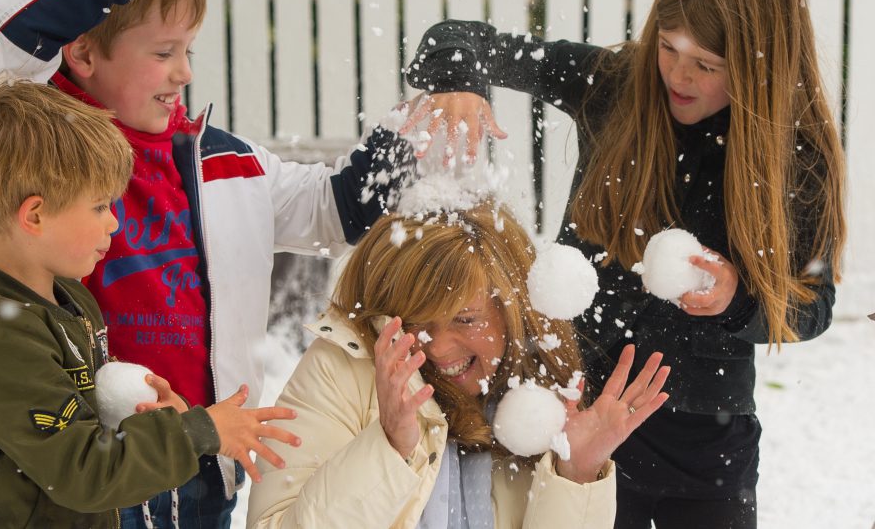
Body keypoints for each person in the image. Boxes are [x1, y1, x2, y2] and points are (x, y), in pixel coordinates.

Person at [0, 0, 413, 528]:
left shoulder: (228, 165)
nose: (182, 74)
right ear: (84, 53)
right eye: (161, 52)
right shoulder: (33, 138)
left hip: (198, 459)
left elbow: (339, 210)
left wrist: (418, 126)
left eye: (188, 52)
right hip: (76, 473)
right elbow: (1, 28)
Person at [400, 0, 846, 528]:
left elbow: (812, 307)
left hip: (706, 442)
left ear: (760, 66)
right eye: (667, 47)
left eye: (707, 65)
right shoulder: (614, 85)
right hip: (577, 415)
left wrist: (737, 299)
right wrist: (461, 81)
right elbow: (458, 38)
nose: (678, 75)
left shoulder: (794, 154)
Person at [0, 80, 300, 528]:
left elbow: (82, 417)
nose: (115, 222)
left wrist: (155, 414)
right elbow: (82, 470)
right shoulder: (1, 333)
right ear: (36, 216)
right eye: (100, 206)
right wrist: (199, 432)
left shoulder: (69, 297)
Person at [247, 203, 670, 528]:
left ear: (513, 311)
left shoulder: (544, 396)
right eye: (417, 321)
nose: (440, 349)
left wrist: (574, 474)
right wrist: (391, 448)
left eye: (466, 319)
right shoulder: (344, 369)